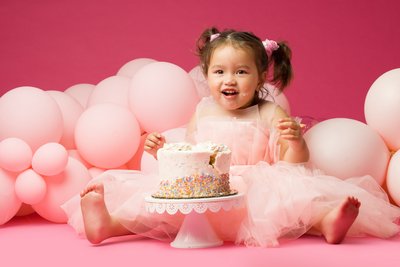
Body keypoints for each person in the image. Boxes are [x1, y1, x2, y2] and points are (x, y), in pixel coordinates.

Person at [62, 27, 400, 247]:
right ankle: (110, 223)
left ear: (260, 77)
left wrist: (294, 140)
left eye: (241, 71)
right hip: (206, 190)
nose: (230, 80)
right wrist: (161, 149)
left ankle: (327, 221)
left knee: (296, 202)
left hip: (256, 188)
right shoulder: (203, 111)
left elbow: (295, 165)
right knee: (155, 207)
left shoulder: (269, 113)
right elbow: (189, 154)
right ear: (206, 76)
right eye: (220, 71)